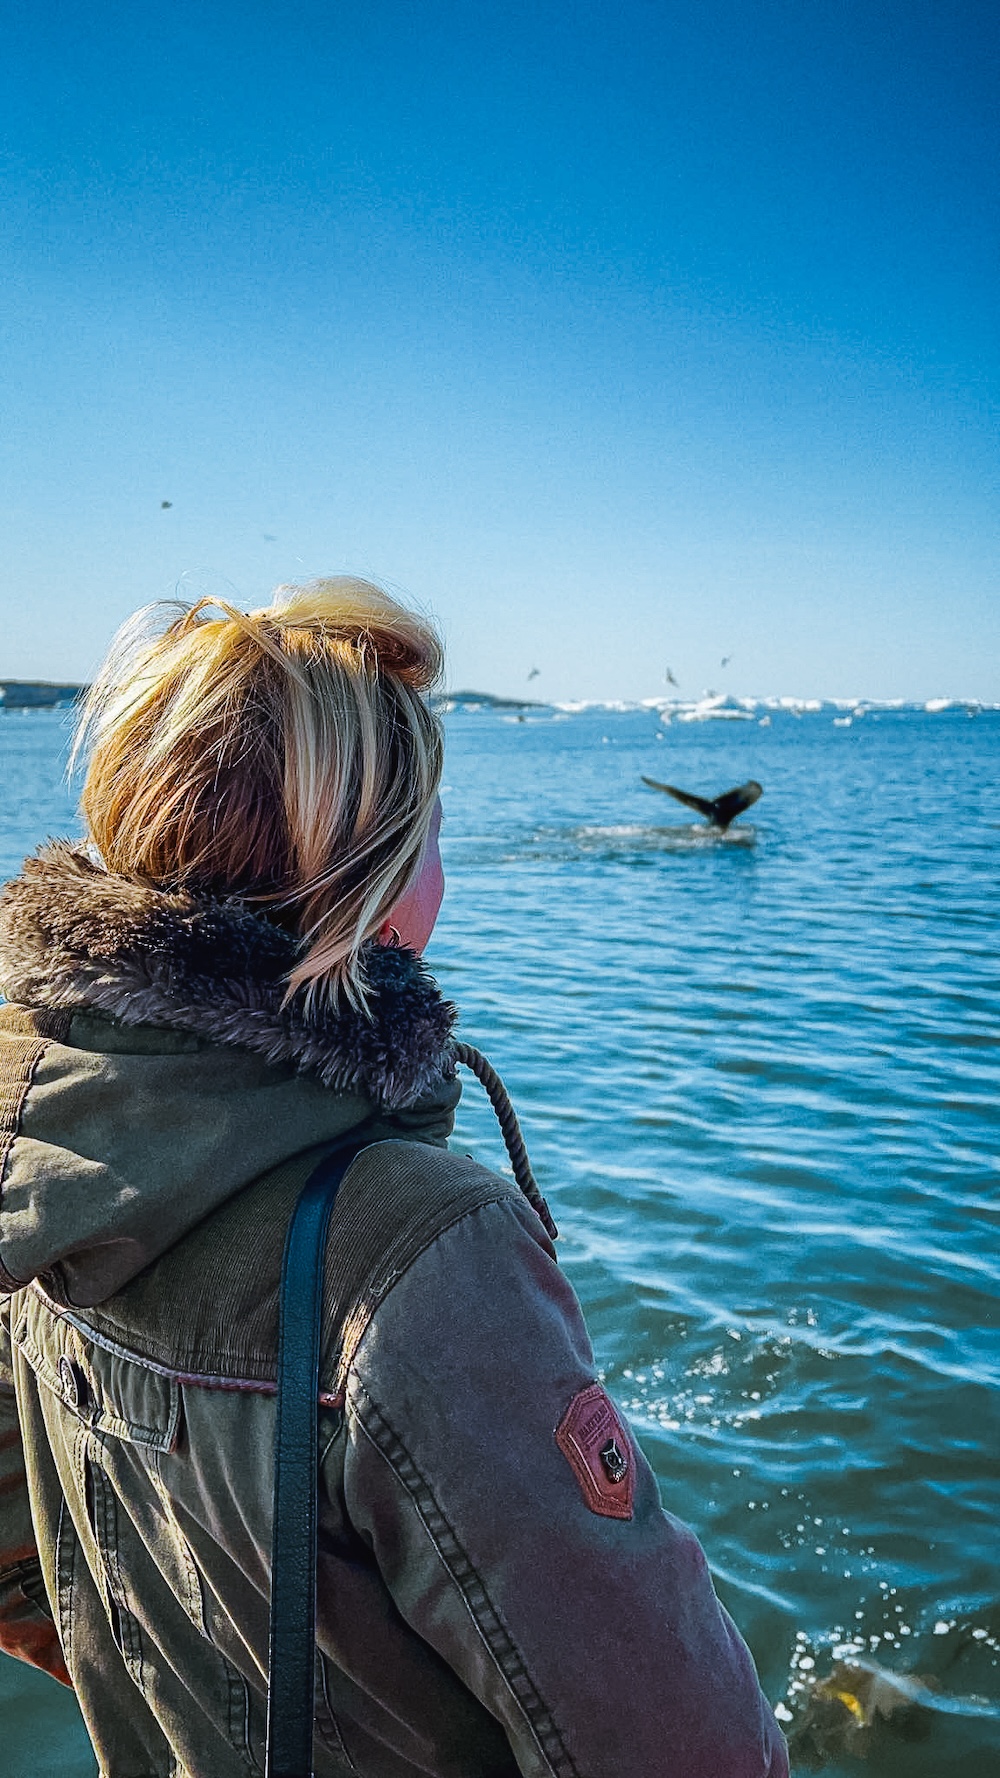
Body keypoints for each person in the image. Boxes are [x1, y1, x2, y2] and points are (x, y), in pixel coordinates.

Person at [0, 578, 788, 1777]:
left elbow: (18, 1550)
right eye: (431, 830)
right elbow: (687, 1748)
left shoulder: (37, 1153)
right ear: (372, 879)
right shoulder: (419, 1244)